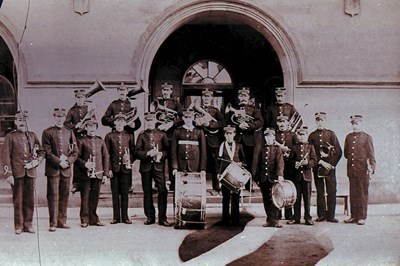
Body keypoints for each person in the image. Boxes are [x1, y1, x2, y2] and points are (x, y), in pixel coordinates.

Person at [3, 111, 45, 234]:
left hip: (30, 172)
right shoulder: (10, 137)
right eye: (20, 120)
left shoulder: (32, 136)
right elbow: (5, 157)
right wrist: (8, 174)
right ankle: (18, 226)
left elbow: (41, 152)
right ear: (16, 122)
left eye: (24, 120)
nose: (22, 123)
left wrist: (36, 162)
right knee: (18, 200)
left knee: (30, 200)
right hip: (16, 173)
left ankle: (28, 224)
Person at [42, 108, 78, 232]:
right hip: (53, 170)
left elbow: (75, 152)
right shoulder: (47, 132)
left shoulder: (69, 132)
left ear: (64, 118)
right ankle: (53, 223)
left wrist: (67, 162)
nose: (59, 119)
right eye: (57, 116)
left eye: (62, 117)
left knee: (64, 195)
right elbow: (47, 152)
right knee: (53, 195)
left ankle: (62, 221)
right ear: (54, 117)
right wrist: (59, 162)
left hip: (66, 170)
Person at [102, 82, 141, 193]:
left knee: (127, 157)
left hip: (128, 135)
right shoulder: (113, 104)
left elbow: (138, 122)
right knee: (115, 157)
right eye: (120, 91)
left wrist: (134, 125)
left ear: (126, 92)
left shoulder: (131, 104)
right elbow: (104, 119)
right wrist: (115, 122)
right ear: (118, 92)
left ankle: (128, 186)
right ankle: (116, 184)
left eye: (124, 91)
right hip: (115, 134)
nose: (122, 93)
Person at [134, 112, 171, 226]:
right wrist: (147, 154)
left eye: (151, 120)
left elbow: (168, 151)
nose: (149, 123)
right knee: (147, 192)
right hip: (146, 167)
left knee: (163, 191)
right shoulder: (142, 135)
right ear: (145, 122)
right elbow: (136, 152)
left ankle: (162, 218)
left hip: (158, 167)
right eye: (147, 121)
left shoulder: (161, 134)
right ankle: (150, 217)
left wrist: (160, 154)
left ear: (155, 121)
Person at [225, 87, 263, 191]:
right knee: (236, 161)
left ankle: (248, 184)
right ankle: (236, 183)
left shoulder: (253, 110)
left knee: (249, 162)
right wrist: (238, 126)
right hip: (237, 140)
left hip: (249, 140)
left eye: (245, 96)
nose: (242, 98)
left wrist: (249, 125)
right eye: (241, 96)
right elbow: (228, 122)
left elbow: (260, 122)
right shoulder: (234, 108)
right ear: (238, 97)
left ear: (248, 97)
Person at [308, 112, 342, 223]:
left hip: (330, 168)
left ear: (325, 121)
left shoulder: (331, 134)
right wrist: (321, 162)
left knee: (331, 191)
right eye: (318, 120)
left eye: (322, 120)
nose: (320, 123)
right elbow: (310, 153)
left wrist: (331, 164)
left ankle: (331, 216)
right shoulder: (312, 136)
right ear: (316, 122)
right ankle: (321, 215)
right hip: (318, 167)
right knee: (320, 191)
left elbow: (339, 152)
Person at [75, 119, 109, 227]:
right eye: (89, 127)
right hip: (86, 174)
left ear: (96, 128)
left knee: (95, 197)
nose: (92, 129)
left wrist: (105, 174)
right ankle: (84, 219)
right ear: (86, 128)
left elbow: (105, 157)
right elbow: (76, 158)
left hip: (98, 173)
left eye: (94, 127)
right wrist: (85, 164)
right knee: (85, 197)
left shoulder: (100, 141)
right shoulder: (81, 141)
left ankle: (94, 219)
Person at [343, 115, 376, 225]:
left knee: (362, 193)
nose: (354, 126)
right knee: (353, 193)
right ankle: (353, 216)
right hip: (352, 169)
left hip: (363, 169)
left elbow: (371, 154)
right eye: (353, 124)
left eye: (356, 124)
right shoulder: (348, 137)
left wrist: (372, 167)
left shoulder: (366, 137)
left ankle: (361, 217)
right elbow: (346, 154)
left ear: (361, 124)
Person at [104, 113, 135, 224]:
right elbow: (107, 154)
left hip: (125, 168)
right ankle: (116, 217)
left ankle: (125, 217)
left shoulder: (129, 135)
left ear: (125, 123)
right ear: (115, 122)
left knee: (125, 193)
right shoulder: (109, 136)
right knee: (115, 192)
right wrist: (109, 169)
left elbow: (134, 152)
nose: (120, 123)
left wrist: (129, 158)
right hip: (114, 169)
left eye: (122, 121)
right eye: (118, 121)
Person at [152, 82, 183, 191]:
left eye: (167, 90)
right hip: (159, 134)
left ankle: (173, 184)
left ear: (170, 91)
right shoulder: (157, 102)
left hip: (171, 135)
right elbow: (152, 115)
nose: (165, 92)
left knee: (171, 159)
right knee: (158, 159)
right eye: (164, 90)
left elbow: (182, 118)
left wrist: (170, 124)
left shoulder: (175, 103)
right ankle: (158, 183)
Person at [193, 88, 225, 191]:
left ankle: (216, 185)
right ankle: (198, 185)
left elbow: (222, 123)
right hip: (199, 138)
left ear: (211, 98)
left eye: (208, 96)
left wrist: (210, 124)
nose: (206, 98)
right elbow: (191, 121)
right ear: (202, 97)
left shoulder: (215, 110)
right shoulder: (197, 109)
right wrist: (196, 122)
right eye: (204, 96)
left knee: (215, 163)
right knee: (198, 161)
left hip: (213, 140)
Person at [252, 127, 285, 228]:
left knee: (275, 199)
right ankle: (269, 220)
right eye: (267, 136)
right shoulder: (262, 149)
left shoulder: (277, 149)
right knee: (266, 199)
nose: (268, 138)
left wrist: (280, 175)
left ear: (274, 137)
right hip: (263, 178)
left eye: (270, 136)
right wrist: (256, 178)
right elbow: (257, 164)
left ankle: (276, 220)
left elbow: (280, 163)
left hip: (273, 178)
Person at [64, 89, 95, 193]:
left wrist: (88, 126)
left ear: (85, 98)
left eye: (82, 97)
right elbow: (66, 124)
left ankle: (88, 180)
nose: (80, 99)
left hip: (87, 137)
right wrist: (75, 126)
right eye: (78, 97)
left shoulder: (89, 109)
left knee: (87, 158)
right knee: (77, 159)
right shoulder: (72, 110)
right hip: (76, 138)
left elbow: (94, 121)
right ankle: (76, 183)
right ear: (75, 98)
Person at [287, 126, 317, 226]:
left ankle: (308, 218)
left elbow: (314, 161)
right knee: (297, 198)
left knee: (307, 199)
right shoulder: (294, 147)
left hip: (307, 177)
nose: (301, 137)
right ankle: (296, 218)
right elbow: (290, 160)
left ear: (306, 135)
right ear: (297, 136)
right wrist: (294, 163)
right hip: (296, 177)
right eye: (299, 135)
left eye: (303, 135)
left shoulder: (310, 147)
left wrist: (307, 163)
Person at [217, 125, 245, 226]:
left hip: (236, 175)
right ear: (224, 135)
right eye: (227, 134)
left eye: (231, 134)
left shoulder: (239, 146)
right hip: (226, 174)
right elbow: (218, 161)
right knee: (225, 197)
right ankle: (225, 220)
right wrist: (218, 173)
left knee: (236, 196)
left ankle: (236, 219)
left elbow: (243, 159)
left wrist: (241, 164)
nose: (229, 136)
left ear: (234, 134)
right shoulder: (221, 146)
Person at [171, 109, 207, 177]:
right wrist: (175, 167)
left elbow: (203, 151)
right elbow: (173, 151)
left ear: (193, 117)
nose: (188, 119)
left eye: (190, 117)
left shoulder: (199, 131)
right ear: (183, 118)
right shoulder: (177, 131)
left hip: (195, 164)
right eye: (186, 117)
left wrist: (203, 168)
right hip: (181, 164)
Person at [274, 114, 297, 220]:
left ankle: (289, 213)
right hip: (277, 166)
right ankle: (277, 212)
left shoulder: (292, 135)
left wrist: (289, 154)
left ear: (287, 123)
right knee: (278, 188)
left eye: (284, 122)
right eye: (280, 122)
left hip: (289, 165)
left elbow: (296, 149)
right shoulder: (274, 135)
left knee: (288, 189)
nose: (282, 124)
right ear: (277, 123)